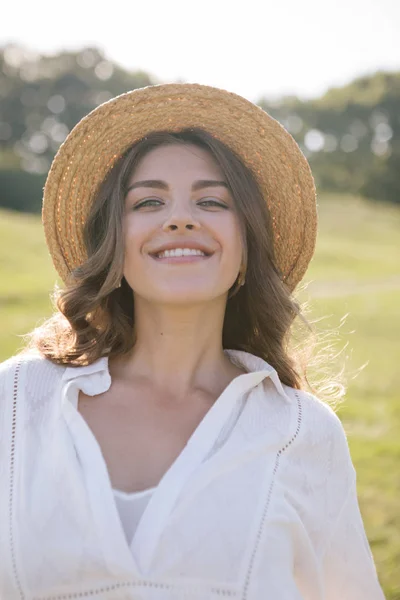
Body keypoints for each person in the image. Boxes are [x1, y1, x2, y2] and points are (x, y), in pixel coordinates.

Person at [0, 83, 384, 600]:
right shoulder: (17, 400)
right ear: (115, 243)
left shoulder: (303, 433)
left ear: (247, 246)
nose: (180, 218)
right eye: (149, 201)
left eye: (211, 200)